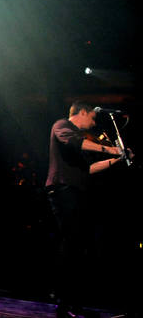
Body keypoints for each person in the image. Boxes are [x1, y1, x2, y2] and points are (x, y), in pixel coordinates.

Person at [45, 101, 127, 317]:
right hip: (63, 189)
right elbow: (75, 142)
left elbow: (88, 169)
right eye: (92, 118)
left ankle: (71, 302)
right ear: (82, 112)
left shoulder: (81, 139)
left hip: (76, 191)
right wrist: (110, 148)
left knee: (78, 245)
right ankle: (63, 302)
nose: (93, 124)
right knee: (71, 242)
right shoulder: (62, 125)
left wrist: (116, 159)